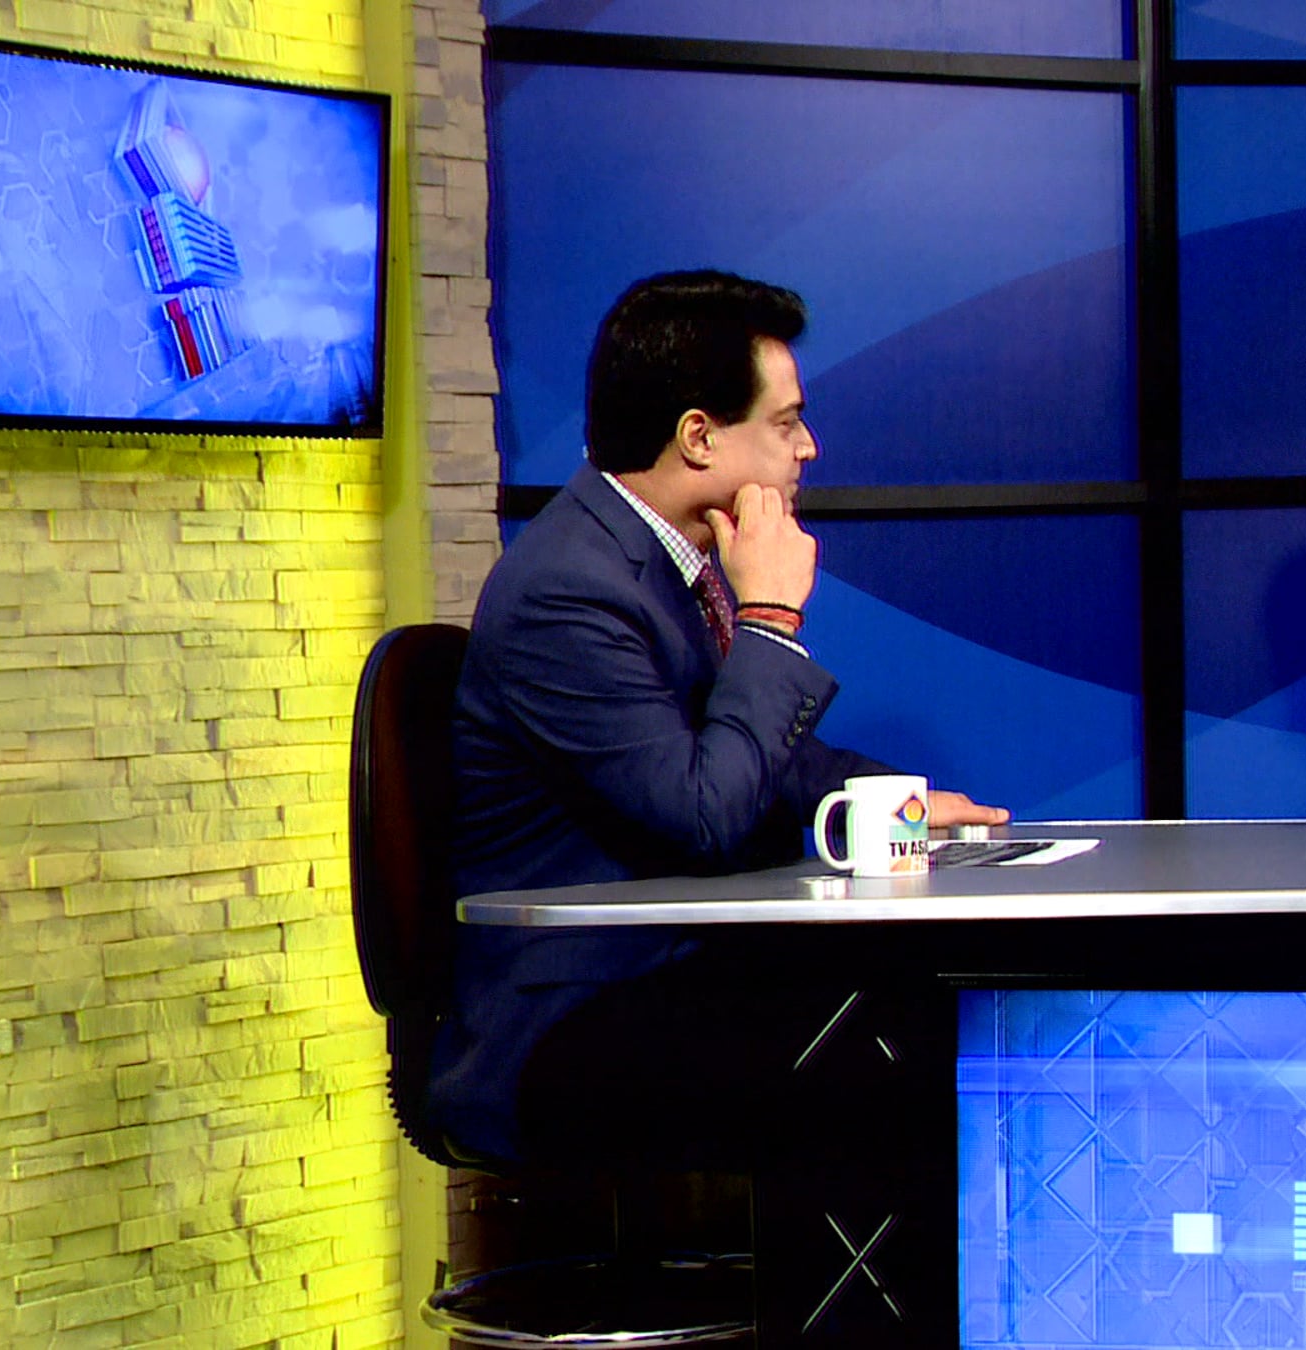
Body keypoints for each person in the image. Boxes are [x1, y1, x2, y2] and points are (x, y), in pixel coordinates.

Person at [430, 269, 1006, 1163]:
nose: (808, 447)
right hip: (573, 1018)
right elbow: (705, 813)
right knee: (898, 1060)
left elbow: (757, 756)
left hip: (678, 973)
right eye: (786, 423)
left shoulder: (666, 557)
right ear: (698, 436)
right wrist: (770, 620)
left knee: (932, 1011)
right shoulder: (569, 590)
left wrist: (897, 803)